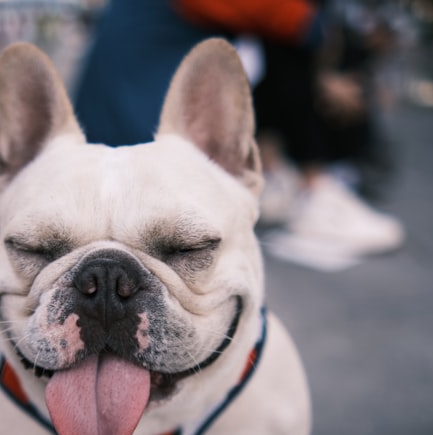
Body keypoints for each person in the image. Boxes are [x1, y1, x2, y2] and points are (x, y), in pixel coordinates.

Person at [73, 0, 404, 270]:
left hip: (123, 124)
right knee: (286, 43)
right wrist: (327, 68)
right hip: (139, 135)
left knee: (270, 52)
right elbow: (295, 22)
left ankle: (281, 175)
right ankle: (312, 189)